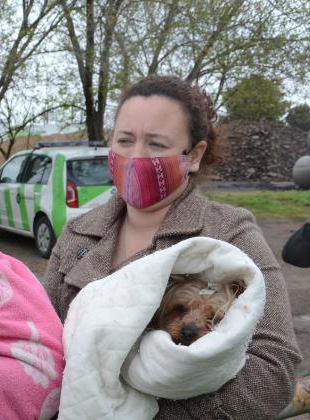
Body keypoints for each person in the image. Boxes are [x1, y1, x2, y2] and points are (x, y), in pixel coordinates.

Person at [43, 75, 302, 418]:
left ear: (194, 155)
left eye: (156, 144)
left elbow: (276, 371)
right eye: (124, 140)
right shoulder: (78, 233)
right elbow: (40, 339)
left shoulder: (229, 233)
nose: (135, 156)